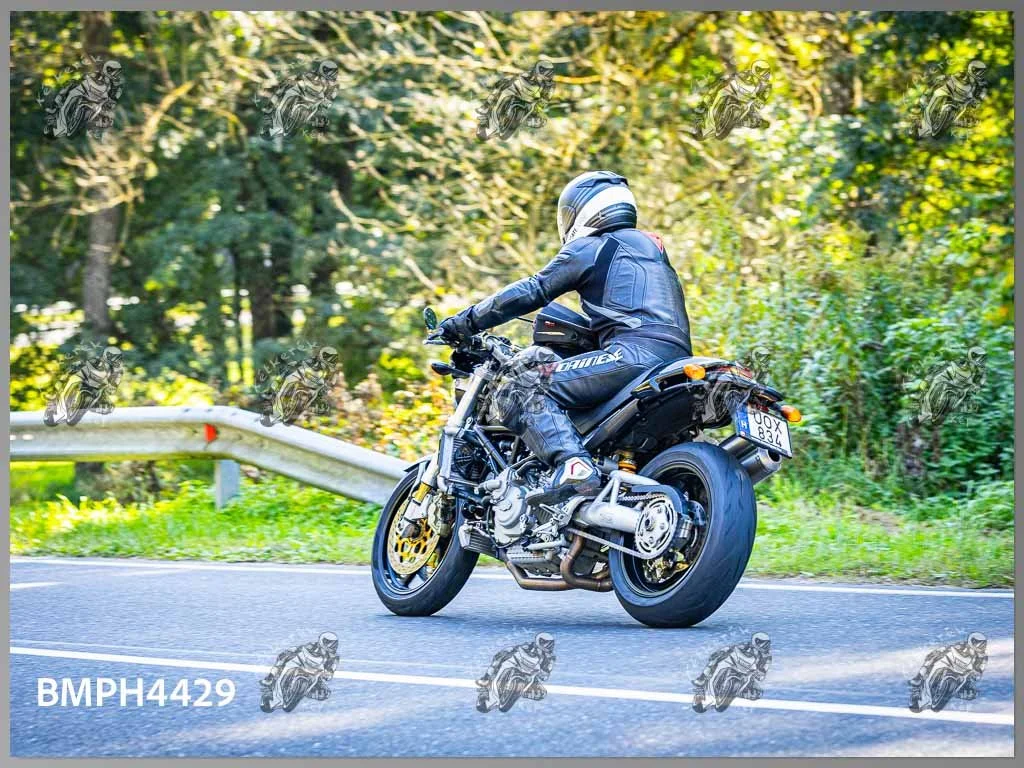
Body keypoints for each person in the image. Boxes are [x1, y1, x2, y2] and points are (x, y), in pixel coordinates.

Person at [438, 170, 691, 504]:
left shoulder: (593, 246)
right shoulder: (653, 252)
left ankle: (573, 466)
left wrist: (463, 323)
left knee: (519, 387)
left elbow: (534, 289)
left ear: (584, 210)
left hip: (631, 355)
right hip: (676, 360)